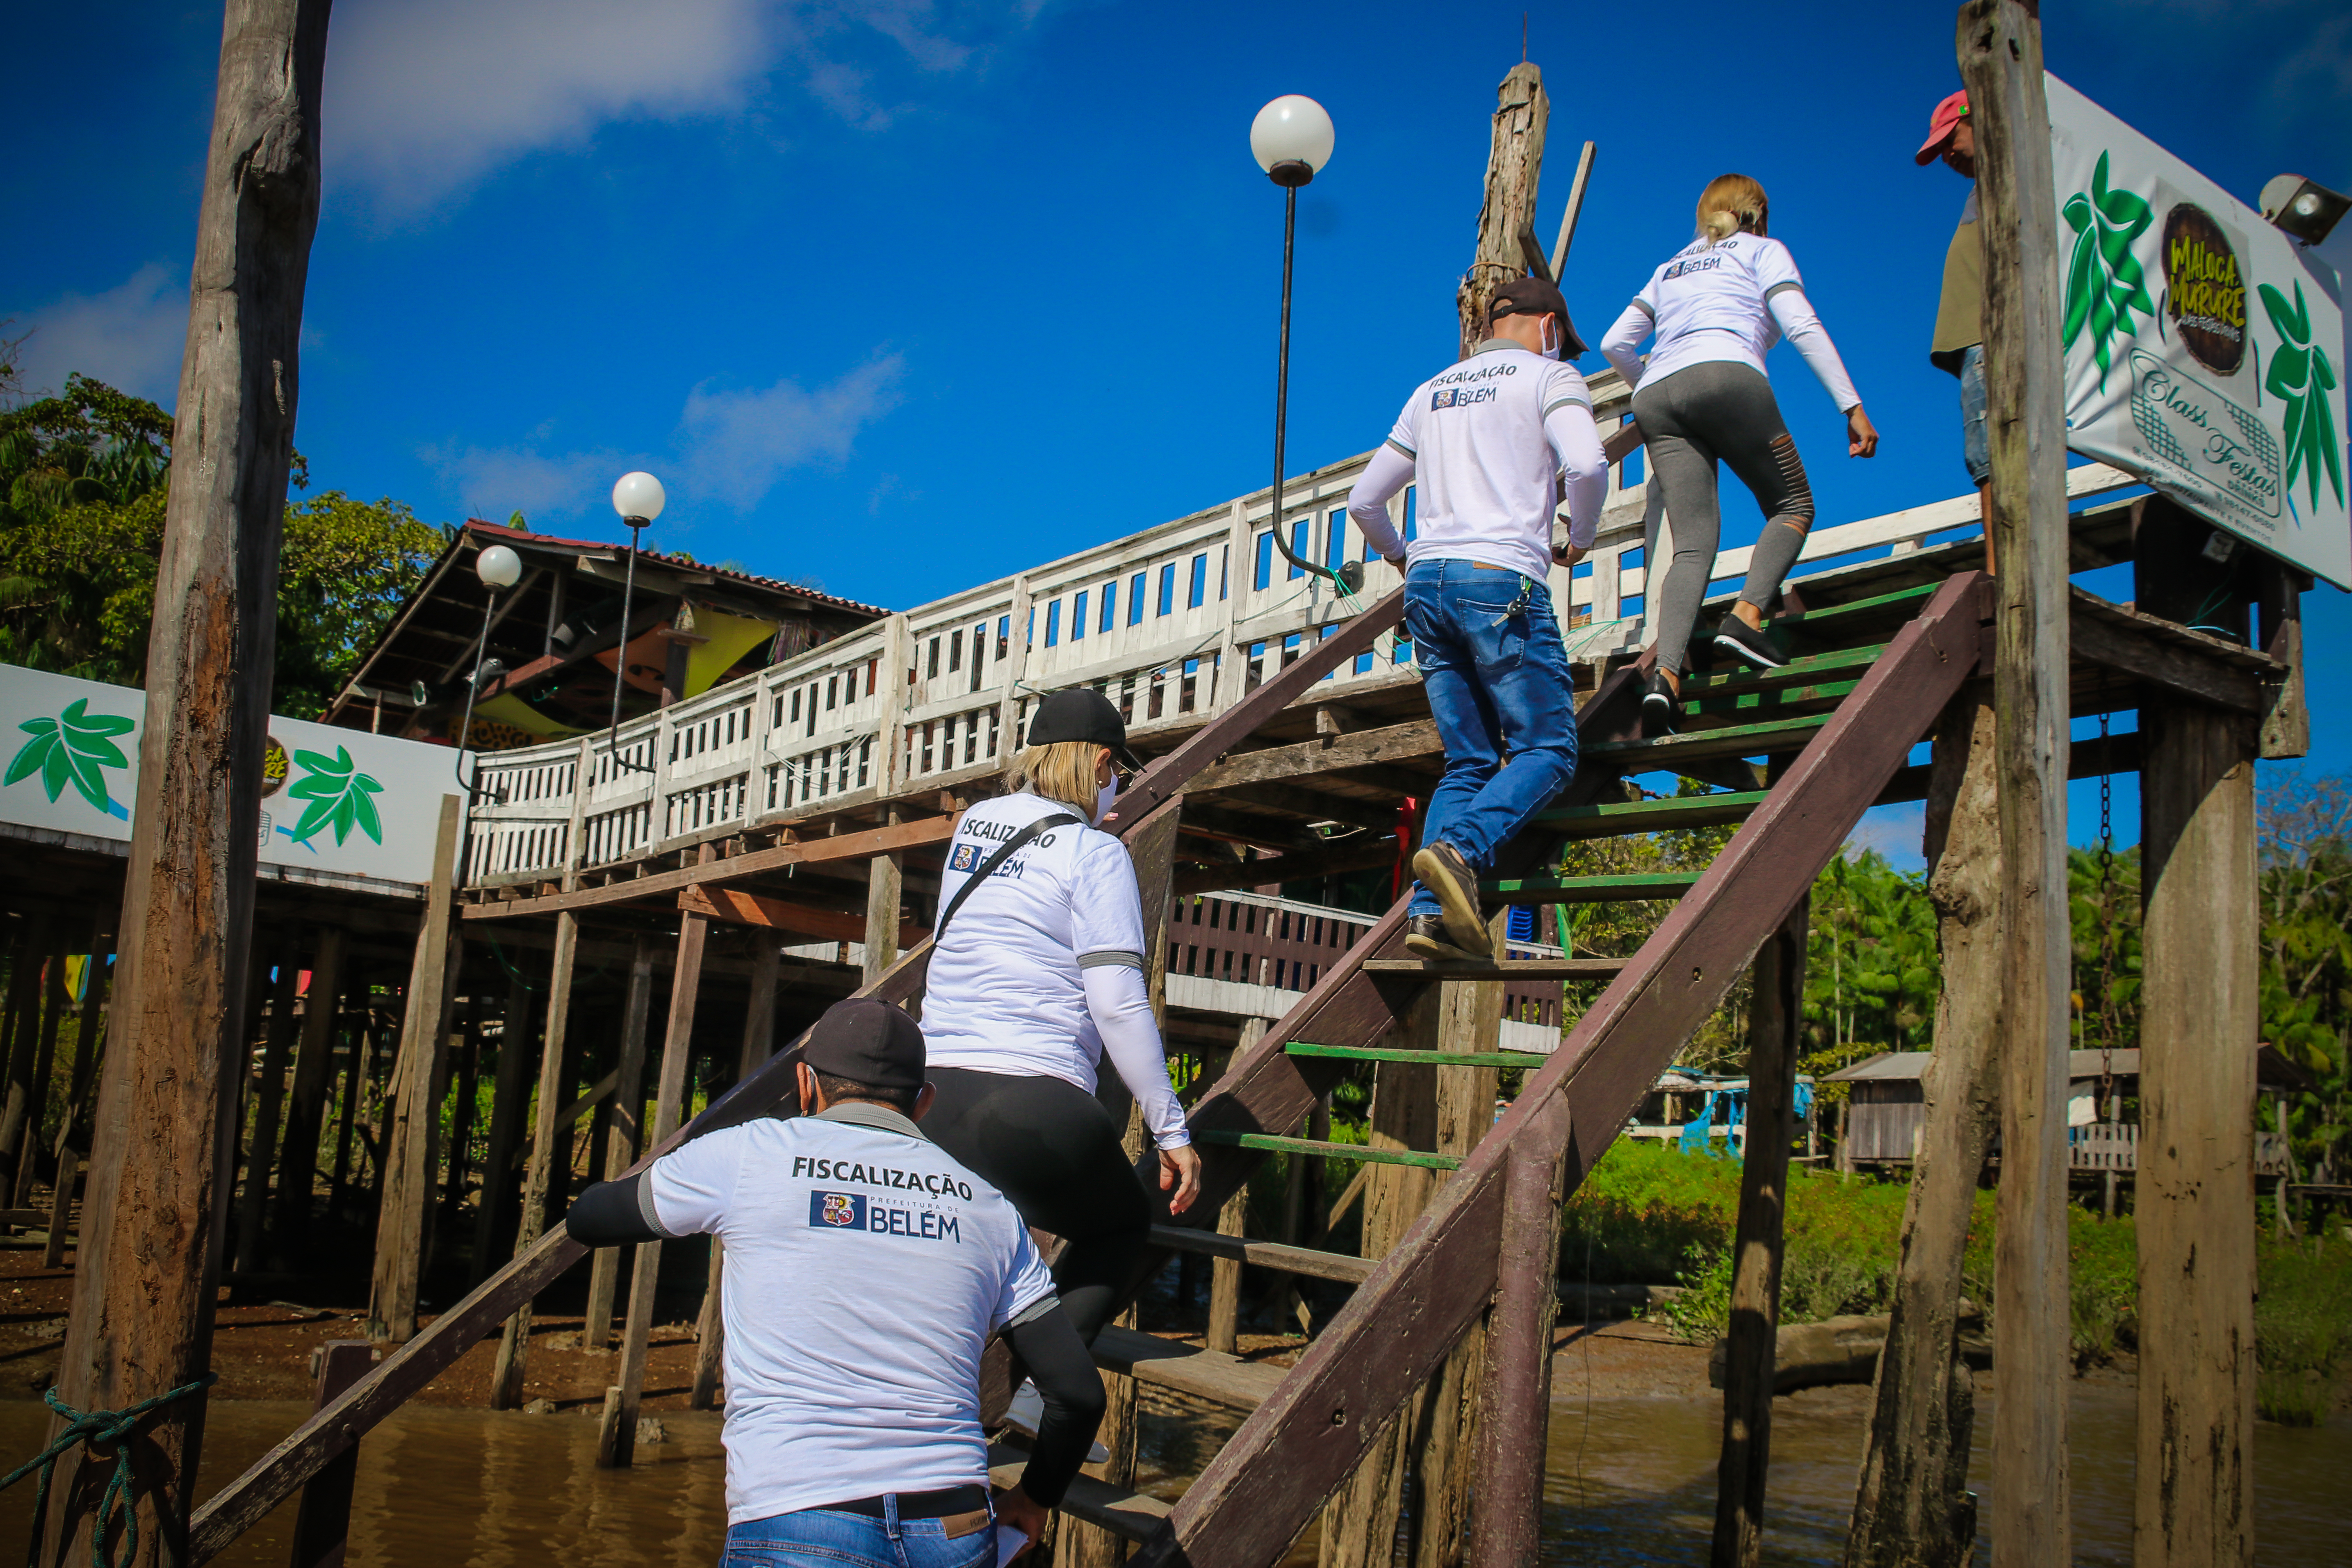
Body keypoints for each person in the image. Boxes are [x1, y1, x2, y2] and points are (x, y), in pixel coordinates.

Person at [563, 997, 1105, 1568]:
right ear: (923, 1103)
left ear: (805, 1084)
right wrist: (1034, 1496)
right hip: (953, 1526)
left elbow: (592, 1219)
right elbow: (1076, 1394)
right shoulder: (990, 1209)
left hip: (799, 1514)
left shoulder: (749, 1156)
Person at [916, 686, 1203, 1356]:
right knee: (1119, 1225)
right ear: (1101, 763)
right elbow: (1117, 1003)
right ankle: (1044, 1393)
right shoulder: (1095, 851)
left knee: (959, 1268)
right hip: (1033, 1097)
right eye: (1118, 775)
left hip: (932, 1095)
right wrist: (1171, 1130)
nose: (1118, 793)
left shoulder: (973, 825)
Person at [1344, 276, 1609, 963]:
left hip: (1428, 585)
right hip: (1500, 578)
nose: (1567, 351)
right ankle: (1460, 851)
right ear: (1547, 323)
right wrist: (1577, 537)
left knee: (1467, 761)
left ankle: (1431, 917)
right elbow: (1585, 460)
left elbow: (1365, 501)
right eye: (1564, 338)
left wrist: (1409, 560)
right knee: (1548, 748)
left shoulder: (1430, 391)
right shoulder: (1549, 377)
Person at [1598, 174, 1879, 733]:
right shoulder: (1762, 251)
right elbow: (1800, 323)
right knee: (1794, 505)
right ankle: (1746, 615)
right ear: (1758, 213)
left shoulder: (1671, 266)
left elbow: (1615, 343)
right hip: (1728, 376)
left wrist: (1655, 378)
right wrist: (1851, 405)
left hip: (1657, 395)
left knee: (1693, 546)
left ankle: (1667, 676)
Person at [1916, 89, 1993, 562]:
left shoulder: (2012, 178)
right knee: (1986, 456)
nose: (1946, 154)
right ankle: (1998, 562)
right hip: (1976, 342)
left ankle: (2001, 569)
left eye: (1951, 138)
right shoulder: (1983, 191)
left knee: (1993, 454)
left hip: (1991, 340)